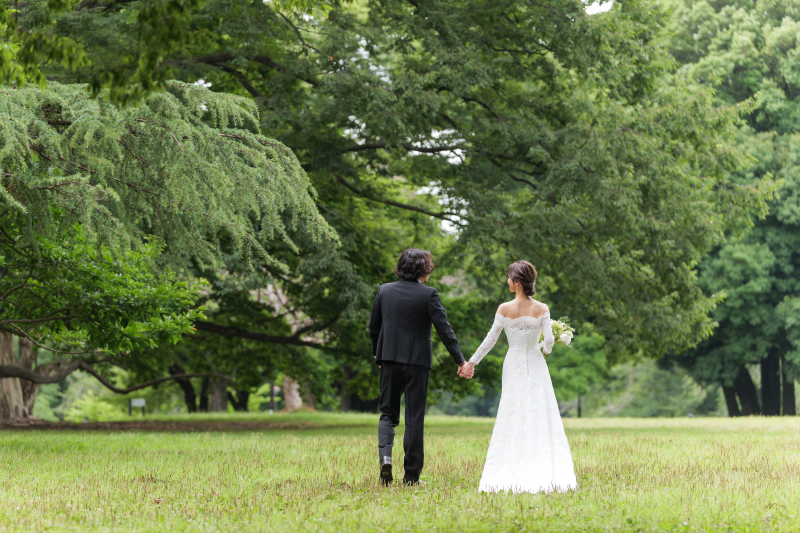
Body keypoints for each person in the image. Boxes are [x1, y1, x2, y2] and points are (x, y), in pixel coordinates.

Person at [460, 260, 577, 494]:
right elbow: (550, 343)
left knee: (512, 409)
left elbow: (489, 341)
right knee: (539, 410)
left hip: (513, 362)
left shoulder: (504, 309)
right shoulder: (542, 308)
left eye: (509, 278)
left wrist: (471, 362)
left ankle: (510, 463)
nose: (507, 281)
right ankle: (544, 465)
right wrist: (544, 349)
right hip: (535, 362)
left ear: (516, 282)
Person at [369, 248, 471, 486]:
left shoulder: (384, 290)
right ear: (423, 269)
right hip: (417, 363)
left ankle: (386, 458)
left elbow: (374, 328)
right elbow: (445, 330)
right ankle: (411, 477)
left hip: (390, 360)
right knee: (414, 418)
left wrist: (379, 357)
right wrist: (460, 360)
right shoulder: (429, 294)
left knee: (387, 414)